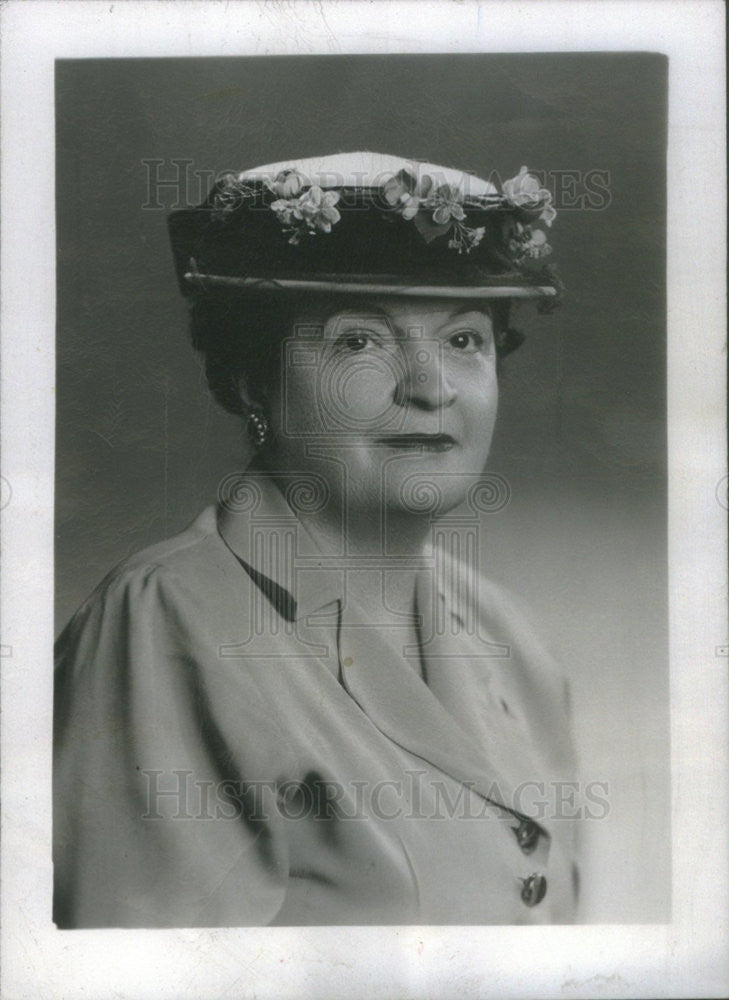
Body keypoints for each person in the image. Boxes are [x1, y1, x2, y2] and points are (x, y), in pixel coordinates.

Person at [53, 151, 580, 927]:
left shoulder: (510, 634)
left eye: (465, 341)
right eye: (359, 342)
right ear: (248, 379)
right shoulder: (168, 621)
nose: (430, 387)